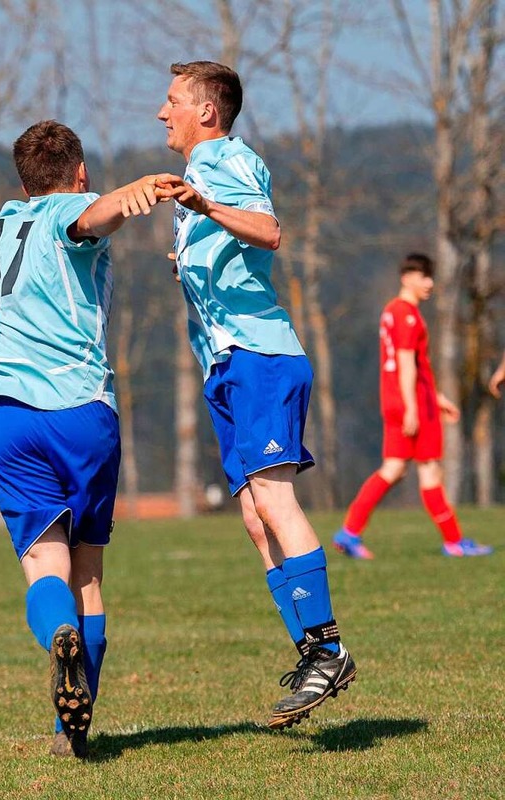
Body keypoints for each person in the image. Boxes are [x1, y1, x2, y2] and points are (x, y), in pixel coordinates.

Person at [0, 120, 170, 757]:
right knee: (87, 576)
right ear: (80, 173)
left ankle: (57, 636)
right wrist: (125, 194)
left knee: (42, 569)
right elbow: (87, 221)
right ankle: (69, 732)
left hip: (7, 420)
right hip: (77, 413)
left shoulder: (7, 219)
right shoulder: (73, 208)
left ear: (22, 181)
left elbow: (62, 213)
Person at [156, 61, 356, 730]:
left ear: (206, 113)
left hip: (261, 356)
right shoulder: (201, 174)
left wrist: (207, 207)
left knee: (274, 500)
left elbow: (270, 230)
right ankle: (312, 653)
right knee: (252, 518)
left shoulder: (219, 161)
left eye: (173, 101)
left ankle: (328, 649)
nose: (164, 113)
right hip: (227, 364)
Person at [333, 253, 494, 559]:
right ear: (407, 277)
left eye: (431, 276)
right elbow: (407, 364)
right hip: (411, 402)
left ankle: (350, 531)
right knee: (430, 471)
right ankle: (455, 542)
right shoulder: (408, 315)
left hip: (396, 397)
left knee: (393, 468)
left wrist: (436, 396)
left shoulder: (391, 311)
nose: (430, 283)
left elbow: (415, 366)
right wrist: (414, 407)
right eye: (424, 276)